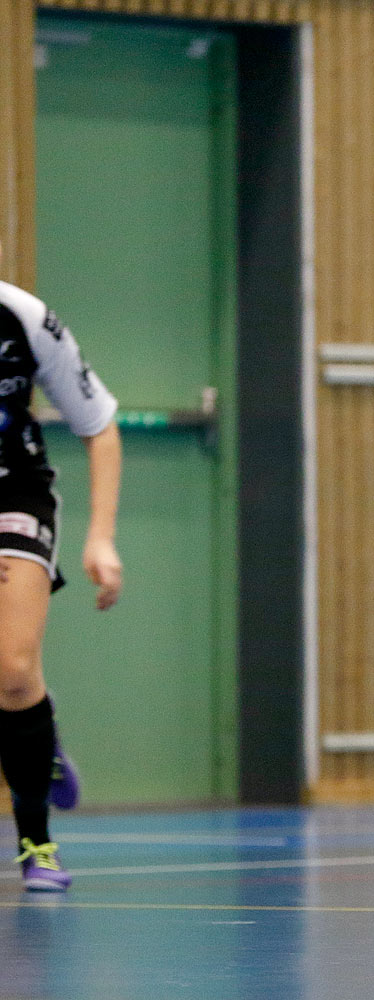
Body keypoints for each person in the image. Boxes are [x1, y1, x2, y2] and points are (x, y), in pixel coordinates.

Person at [0, 243, 123, 892]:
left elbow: (99, 425)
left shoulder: (25, 319)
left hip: (12, 490)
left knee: (13, 670)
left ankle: (36, 842)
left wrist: (100, 538)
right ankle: (39, 745)